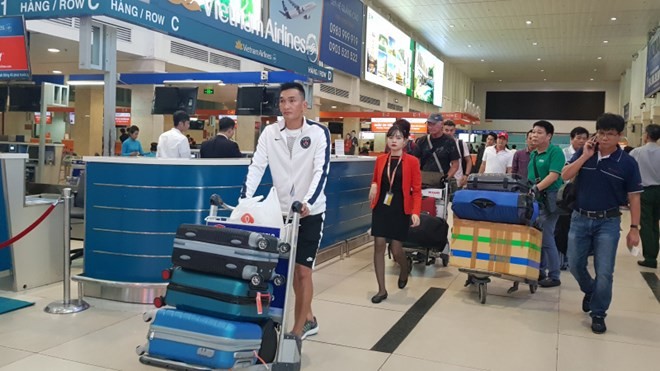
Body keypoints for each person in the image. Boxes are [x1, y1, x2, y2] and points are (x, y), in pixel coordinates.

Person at [242, 82, 330, 342]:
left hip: (310, 213)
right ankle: (309, 317)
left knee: (303, 270)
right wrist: (245, 200)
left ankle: (298, 329)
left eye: (292, 100)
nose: (286, 106)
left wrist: (307, 203)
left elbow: (321, 171)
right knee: (286, 270)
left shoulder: (318, 133)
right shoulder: (270, 133)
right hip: (278, 213)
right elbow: (257, 165)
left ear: (304, 104)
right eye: (282, 101)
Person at [561, 113, 642, 334]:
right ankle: (590, 290)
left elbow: (635, 196)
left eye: (611, 134)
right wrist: (584, 156)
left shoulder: (627, 163)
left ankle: (598, 313)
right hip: (579, 218)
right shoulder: (585, 151)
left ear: (620, 136)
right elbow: (565, 175)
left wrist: (634, 228)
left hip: (608, 222)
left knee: (604, 271)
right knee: (576, 265)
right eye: (601, 133)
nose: (605, 138)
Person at [368, 124, 422, 304]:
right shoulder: (381, 159)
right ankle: (382, 290)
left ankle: (404, 268)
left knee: (396, 249)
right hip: (382, 206)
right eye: (391, 137)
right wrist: (374, 186)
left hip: (400, 207)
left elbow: (417, 190)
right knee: (379, 244)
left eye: (398, 137)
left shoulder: (412, 161)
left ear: (405, 141)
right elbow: (376, 179)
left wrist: (415, 212)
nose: (394, 140)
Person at [528, 121, 564, 288]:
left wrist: (536, 188)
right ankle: (540, 270)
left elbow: (554, 175)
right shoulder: (534, 154)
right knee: (538, 236)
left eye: (539, 132)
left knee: (547, 237)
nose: (535, 135)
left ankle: (555, 275)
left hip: (550, 201)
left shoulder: (555, 152)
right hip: (537, 201)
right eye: (534, 132)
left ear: (549, 136)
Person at [556, 126, 590, 271]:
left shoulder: (591, 154)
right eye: (578, 138)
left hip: (583, 196)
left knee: (580, 230)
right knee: (564, 227)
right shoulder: (564, 153)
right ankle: (564, 259)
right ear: (571, 139)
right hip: (566, 195)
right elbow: (563, 175)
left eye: (584, 138)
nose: (582, 141)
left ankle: (578, 258)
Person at [629, 124, 660, 269]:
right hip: (659, 191)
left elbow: (628, 171)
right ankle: (654, 253)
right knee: (655, 223)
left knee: (646, 224)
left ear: (646, 135)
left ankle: (650, 258)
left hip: (644, 191)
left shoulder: (637, 152)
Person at [412, 113, 459, 183]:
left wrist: (446, 178)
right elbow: (416, 161)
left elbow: (455, 164)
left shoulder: (449, 142)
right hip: (424, 179)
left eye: (433, 124)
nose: (430, 127)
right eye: (429, 124)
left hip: (441, 178)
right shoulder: (422, 141)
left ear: (441, 124)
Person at [442, 120, 472, 187]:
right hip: (442, 180)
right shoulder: (439, 145)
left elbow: (469, 161)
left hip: (458, 181)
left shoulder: (461, 144)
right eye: (446, 130)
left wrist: (466, 175)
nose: (449, 133)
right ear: (442, 130)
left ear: (454, 131)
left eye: (451, 130)